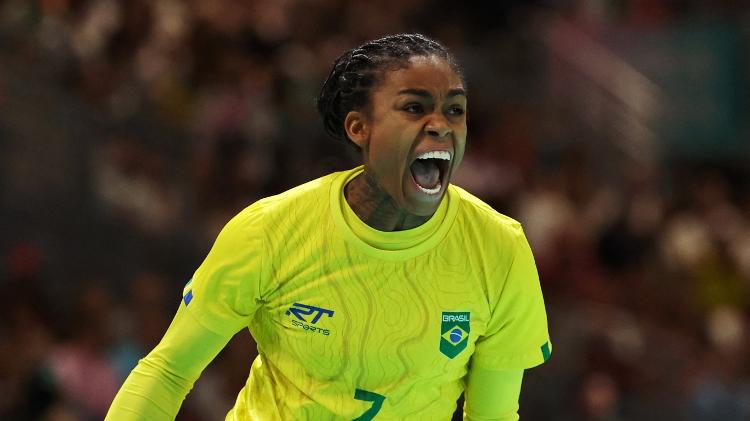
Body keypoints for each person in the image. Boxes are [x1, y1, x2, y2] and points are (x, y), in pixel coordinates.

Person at [105, 33, 551, 421]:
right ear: (359, 128)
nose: (440, 125)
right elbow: (169, 371)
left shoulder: (500, 250)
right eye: (414, 108)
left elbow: (491, 414)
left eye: (455, 111)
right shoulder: (271, 231)